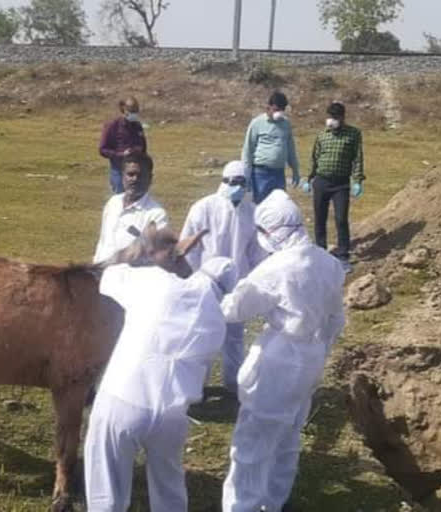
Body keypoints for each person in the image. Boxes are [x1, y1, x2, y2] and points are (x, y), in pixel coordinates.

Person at [220, 190, 346, 512]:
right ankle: (275, 501)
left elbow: (236, 309)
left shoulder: (275, 268)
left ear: (270, 231)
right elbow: (335, 318)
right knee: (289, 435)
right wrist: (318, 348)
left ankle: (244, 506)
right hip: (311, 357)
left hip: (279, 360)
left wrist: (220, 291)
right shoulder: (329, 263)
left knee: (251, 444)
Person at [84, 257, 239, 512]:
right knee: (169, 488)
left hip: (123, 400)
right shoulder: (216, 325)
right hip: (172, 414)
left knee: (107, 483)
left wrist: (144, 257)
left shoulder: (158, 282)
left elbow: (108, 275)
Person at [179, 160, 265, 394]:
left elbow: (257, 253)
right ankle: (197, 387)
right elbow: (189, 247)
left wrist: (253, 282)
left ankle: (232, 385)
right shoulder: (203, 208)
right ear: (223, 181)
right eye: (231, 181)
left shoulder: (252, 213)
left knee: (234, 336)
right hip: (206, 282)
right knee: (202, 336)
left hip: (237, 284)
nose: (235, 186)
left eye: (241, 182)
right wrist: (191, 281)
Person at [305, 101, 365, 271]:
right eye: (330, 117)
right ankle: (320, 252)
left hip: (341, 184)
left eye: (336, 117)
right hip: (321, 181)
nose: (332, 120)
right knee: (319, 218)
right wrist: (309, 178)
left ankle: (343, 255)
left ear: (343, 117)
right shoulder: (322, 135)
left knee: (341, 219)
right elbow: (314, 157)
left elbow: (357, 158)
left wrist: (358, 180)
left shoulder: (353, 134)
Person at [94, 153, 167, 263]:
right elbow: (103, 242)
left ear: (150, 178)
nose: (134, 179)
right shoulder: (113, 203)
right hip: (100, 275)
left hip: (129, 278)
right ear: (122, 176)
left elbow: (156, 257)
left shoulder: (156, 215)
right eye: (130, 174)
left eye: (140, 175)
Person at [241, 91, 300, 204]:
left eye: (281, 110)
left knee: (278, 206)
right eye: (276, 110)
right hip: (260, 173)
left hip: (279, 173)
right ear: (268, 108)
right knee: (259, 206)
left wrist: (295, 170)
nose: (279, 113)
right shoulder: (257, 123)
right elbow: (248, 149)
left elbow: (290, 148)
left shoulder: (286, 124)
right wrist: (246, 174)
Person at [99, 96, 147, 193]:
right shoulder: (112, 126)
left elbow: (144, 147)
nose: (134, 114)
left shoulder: (137, 126)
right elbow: (103, 149)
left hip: (136, 171)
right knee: (119, 200)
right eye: (132, 111)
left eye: (136, 111)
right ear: (124, 110)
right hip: (118, 171)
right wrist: (121, 154)